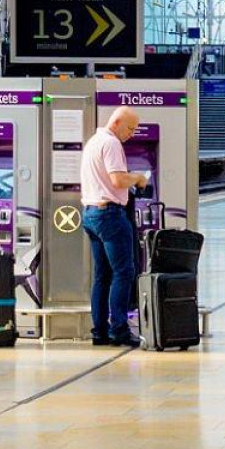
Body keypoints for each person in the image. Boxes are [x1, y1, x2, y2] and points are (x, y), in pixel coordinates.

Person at [80, 106, 150, 347]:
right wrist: (139, 177)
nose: (132, 134)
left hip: (90, 213)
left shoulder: (93, 142)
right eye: (130, 128)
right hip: (109, 214)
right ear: (117, 122)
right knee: (124, 272)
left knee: (102, 274)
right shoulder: (111, 144)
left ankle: (99, 330)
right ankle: (118, 329)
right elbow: (118, 179)